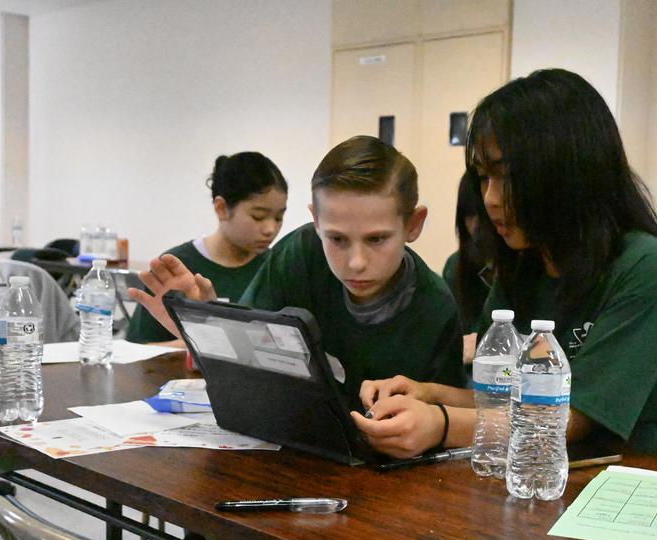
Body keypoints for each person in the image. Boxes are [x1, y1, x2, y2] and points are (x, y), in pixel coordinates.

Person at [352, 69, 657, 461]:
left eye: (508, 176)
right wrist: (428, 394)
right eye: (484, 177)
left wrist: (441, 422)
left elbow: (570, 418)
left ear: (569, 173)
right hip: (544, 471)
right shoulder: (524, 264)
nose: (489, 199)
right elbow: (500, 400)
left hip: (643, 482)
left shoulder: (645, 268)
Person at [128, 136, 467, 406]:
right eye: (336, 238)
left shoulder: (435, 308)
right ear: (316, 222)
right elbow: (245, 367)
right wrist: (205, 325)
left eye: (377, 239)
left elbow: (450, 419)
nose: (356, 262)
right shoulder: (300, 253)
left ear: (414, 224)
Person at [126, 152, 287, 344]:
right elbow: (139, 349)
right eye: (258, 216)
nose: (271, 229)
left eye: (279, 218)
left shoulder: (278, 268)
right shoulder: (177, 267)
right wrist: (201, 342)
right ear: (221, 208)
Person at [442, 170, 495, 357]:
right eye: (469, 214)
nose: (475, 225)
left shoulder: (524, 266)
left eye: (482, 214)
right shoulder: (455, 266)